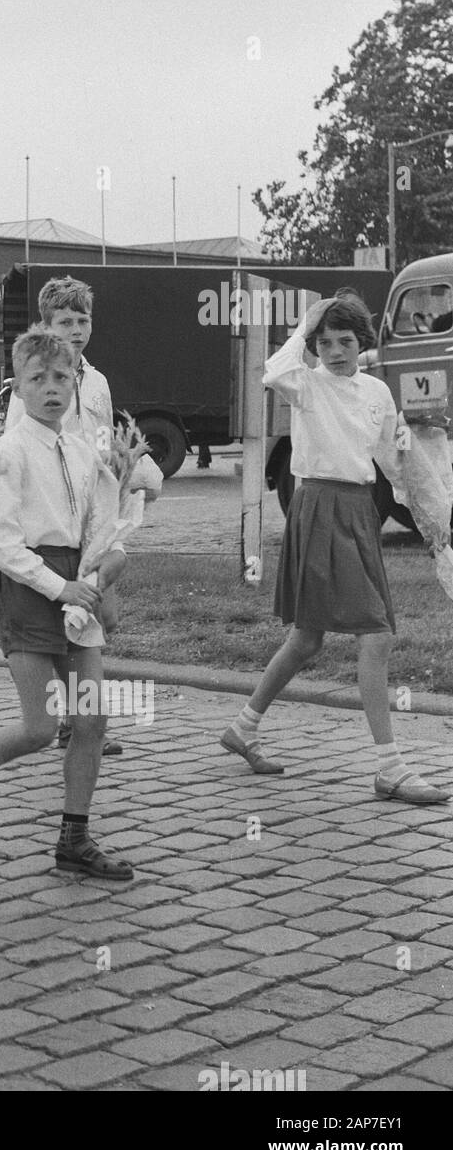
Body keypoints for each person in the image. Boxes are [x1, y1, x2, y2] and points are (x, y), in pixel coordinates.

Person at [221, 293, 450, 804]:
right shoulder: (304, 383)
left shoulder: (376, 392)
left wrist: (432, 490)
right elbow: (272, 370)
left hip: (358, 512)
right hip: (318, 507)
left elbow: (395, 459)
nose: (334, 351)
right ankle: (389, 766)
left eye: (344, 341)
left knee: (307, 639)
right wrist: (304, 327)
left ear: (361, 342)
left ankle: (244, 726)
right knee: (378, 633)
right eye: (324, 343)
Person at [0, 330, 133, 882]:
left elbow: (99, 519)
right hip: (29, 587)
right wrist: (55, 585)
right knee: (41, 726)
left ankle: (74, 838)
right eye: (37, 378)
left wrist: (107, 556)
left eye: (61, 378)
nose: (51, 389)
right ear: (17, 386)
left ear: (75, 383)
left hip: (78, 585)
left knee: (91, 718)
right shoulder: (9, 450)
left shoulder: (80, 448)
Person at [3, 275, 161, 755]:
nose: (76, 329)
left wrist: (120, 466)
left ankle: (75, 717)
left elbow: (102, 437)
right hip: (54, 523)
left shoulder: (96, 382)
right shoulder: (31, 385)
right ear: (46, 325)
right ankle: (69, 719)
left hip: (93, 512)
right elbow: (20, 449)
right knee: (80, 617)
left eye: (83, 320)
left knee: (102, 616)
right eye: (65, 321)